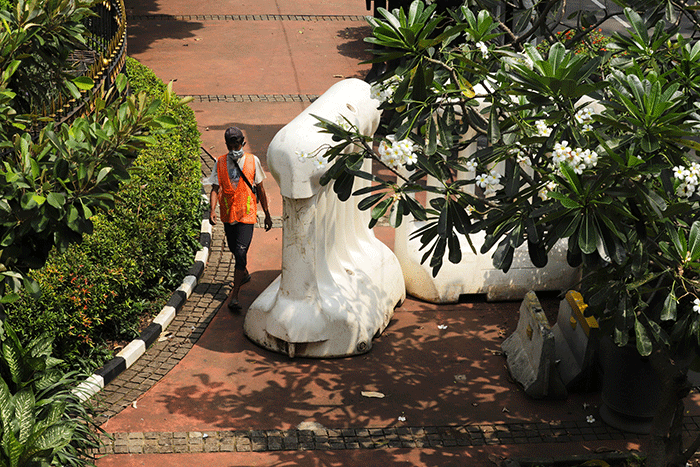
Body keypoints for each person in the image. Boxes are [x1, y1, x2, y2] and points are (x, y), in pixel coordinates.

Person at [206, 127, 272, 311]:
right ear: (227, 145)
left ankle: (234, 296)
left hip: (247, 213)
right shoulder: (220, 163)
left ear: (242, 143)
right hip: (228, 215)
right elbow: (215, 188)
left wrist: (266, 214)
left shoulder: (252, 161)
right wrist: (212, 210)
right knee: (234, 249)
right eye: (231, 146)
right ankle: (243, 274)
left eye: (237, 145)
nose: (235, 149)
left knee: (241, 252)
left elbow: (261, 189)